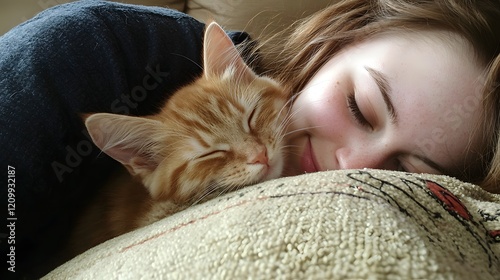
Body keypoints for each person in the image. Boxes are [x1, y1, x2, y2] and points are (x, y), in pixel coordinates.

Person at [0, 0, 498, 278]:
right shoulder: (99, 50)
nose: (354, 166)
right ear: (331, 44)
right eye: (359, 107)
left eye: (408, 171)